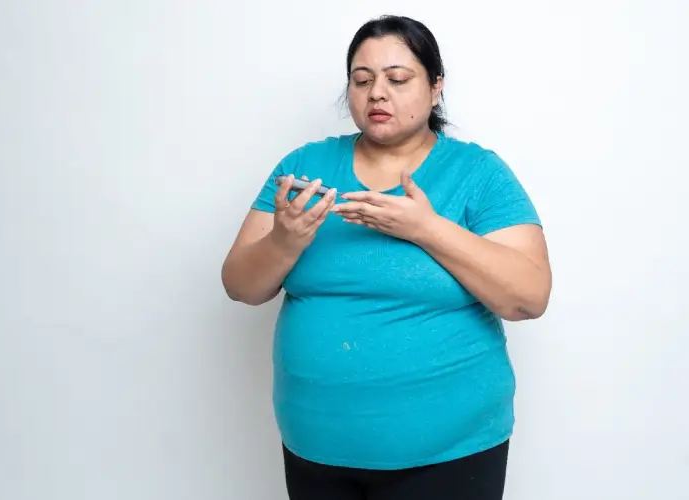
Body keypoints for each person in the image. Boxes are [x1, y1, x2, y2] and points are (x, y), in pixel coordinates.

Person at [221, 14, 552, 500]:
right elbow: (240, 286)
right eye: (362, 80)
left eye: (398, 79)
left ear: (436, 87)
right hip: (316, 447)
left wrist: (426, 229)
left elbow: (529, 298)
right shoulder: (303, 167)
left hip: (451, 453)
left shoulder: (478, 172)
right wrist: (285, 240)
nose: (378, 93)